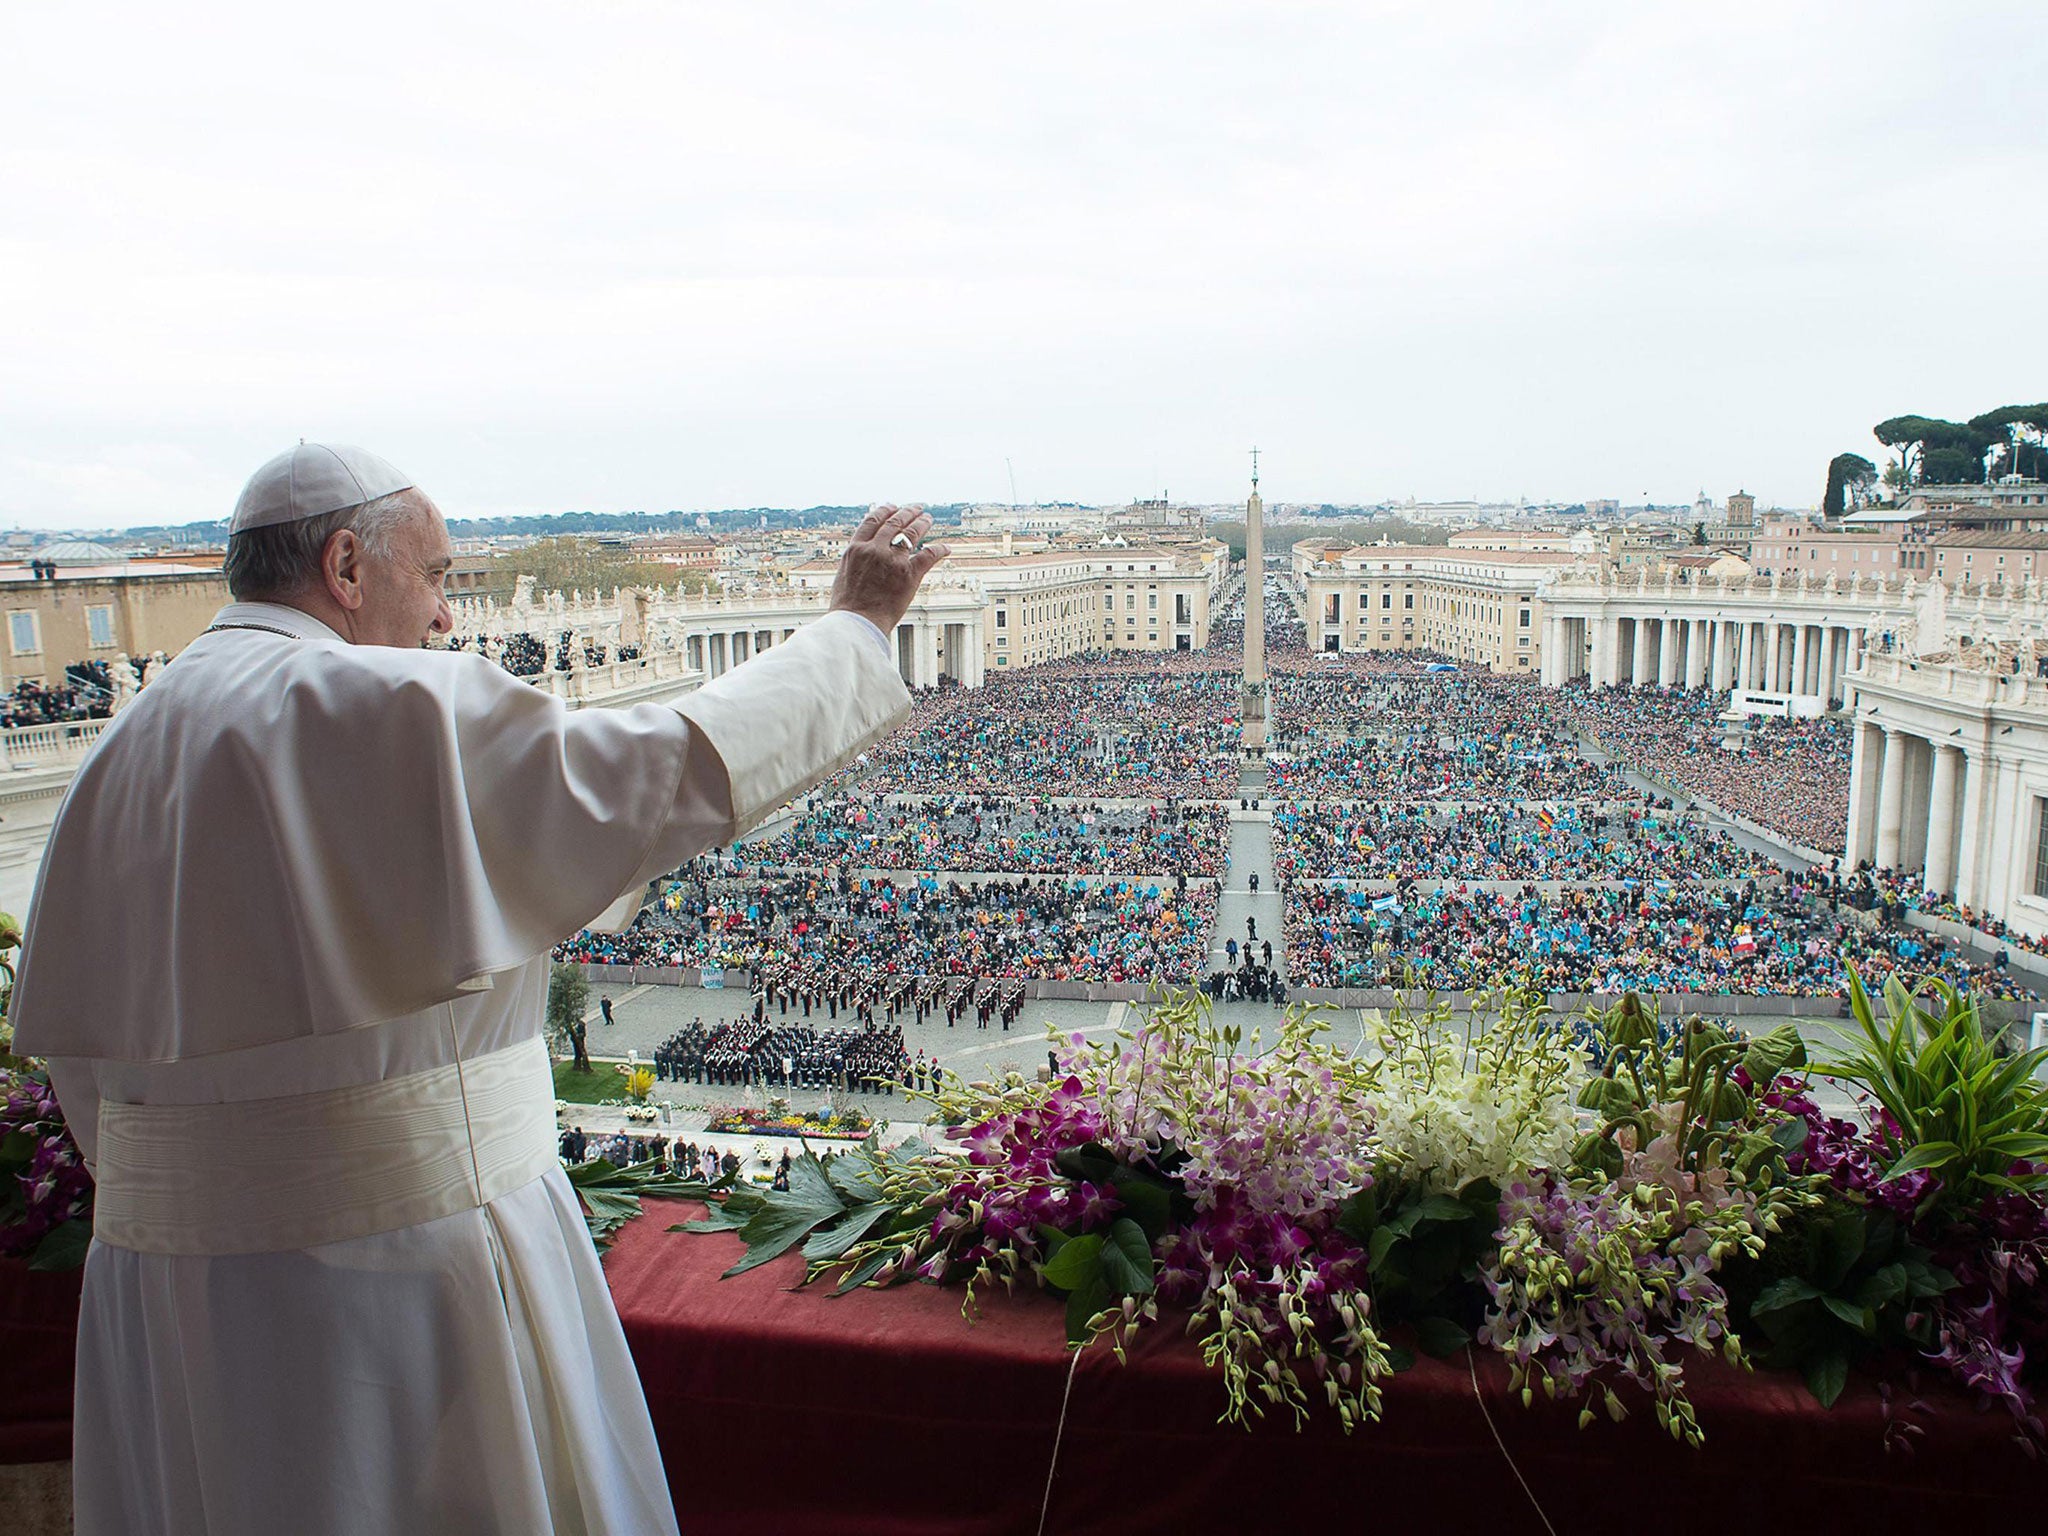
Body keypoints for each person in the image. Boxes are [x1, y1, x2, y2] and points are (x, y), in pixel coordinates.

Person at [11, 443, 949, 1536]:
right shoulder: (381, 704)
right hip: (395, 1273)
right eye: (443, 576)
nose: (449, 620)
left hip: (165, 1299)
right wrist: (852, 628)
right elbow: (658, 771)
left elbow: (84, 1076)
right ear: (347, 564)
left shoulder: (119, 749)